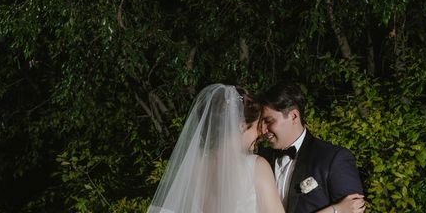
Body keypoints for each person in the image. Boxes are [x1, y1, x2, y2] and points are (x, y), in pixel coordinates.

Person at [147, 84, 285, 213]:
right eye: (256, 126)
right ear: (242, 126)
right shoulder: (256, 167)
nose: (260, 133)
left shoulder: (193, 165)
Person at [258, 83, 365, 213]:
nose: (263, 130)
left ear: (294, 116)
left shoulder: (333, 158)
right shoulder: (260, 160)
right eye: (261, 123)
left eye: (269, 121)